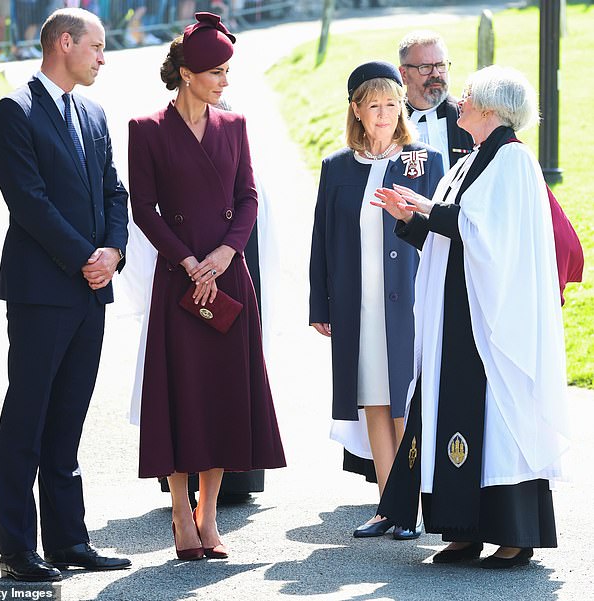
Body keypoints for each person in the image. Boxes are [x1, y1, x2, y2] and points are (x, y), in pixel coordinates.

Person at [373, 65, 570, 569]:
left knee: (495, 419)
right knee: (451, 412)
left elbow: (489, 236)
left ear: (490, 108)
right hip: (457, 312)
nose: (459, 102)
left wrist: (428, 210)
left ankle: (513, 533)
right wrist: (412, 220)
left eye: (468, 97)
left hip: (489, 319)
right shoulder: (469, 162)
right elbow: (452, 238)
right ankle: (462, 529)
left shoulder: (512, 162)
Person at [128, 12, 286, 561]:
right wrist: (190, 260)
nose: (224, 81)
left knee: (221, 397)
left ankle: (209, 517)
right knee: (181, 398)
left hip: (227, 280)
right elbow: (142, 209)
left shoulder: (235, 126)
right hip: (179, 282)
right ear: (189, 73)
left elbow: (248, 197)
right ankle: (179, 514)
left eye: (226, 71)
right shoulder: (145, 129)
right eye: (217, 71)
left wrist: (222, 255)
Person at [0, 7, 131, 582]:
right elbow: (29, 202)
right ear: (65, 43)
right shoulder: (14, 111)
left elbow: (114, 192)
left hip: (91, 291)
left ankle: (69, 541)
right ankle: (18, 550)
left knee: (68, 420)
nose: (103, 56)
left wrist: (112, 254)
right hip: (42, 291)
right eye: (97, 46)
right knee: (28, 418)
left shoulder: (93, 113)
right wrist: (84, 258)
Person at [308, 61, 443, 541]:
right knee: (375, 402)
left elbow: (439, 234)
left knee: (406, 399)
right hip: (356, 305)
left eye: (391, 104)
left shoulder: (424, 162)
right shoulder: (337, 168)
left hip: (408, 302)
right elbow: (322, 239)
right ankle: (388, 505)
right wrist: (319, 306)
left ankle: (414, 506)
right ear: (357, 111)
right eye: (374, 105)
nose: (384, 113)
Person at [398, 30, 474, 171]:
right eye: (425, 67)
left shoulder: (471, 118)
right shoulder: (391, 121)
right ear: (404, 75)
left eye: (441, 65)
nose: (436, 73)